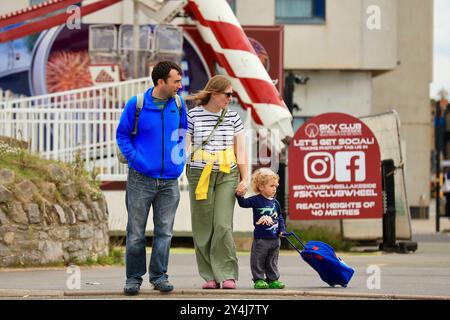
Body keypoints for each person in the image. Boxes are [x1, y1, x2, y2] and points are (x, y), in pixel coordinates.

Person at [116, 61, 187, 295]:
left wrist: (179, 160)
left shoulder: (178, 103)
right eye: (176, 81)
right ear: (161, 82)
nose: (180, 85)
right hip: (140, 178)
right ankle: (133, 279)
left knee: (165, 231)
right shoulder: (136, 104)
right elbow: (122, 135)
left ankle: (159, 276)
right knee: (136, 232)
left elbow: (182, 132)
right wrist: (136, 159)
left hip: (169, 181)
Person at [185, 75, 248, 289]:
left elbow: (240, 150)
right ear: (214, 93)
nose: (230, 98)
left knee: (222, 224)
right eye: (227, 94)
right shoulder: (192, 116)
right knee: (203, 226)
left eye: (232, 95)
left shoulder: (233, 117)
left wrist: (245, 178)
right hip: (199, 173)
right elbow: (183, 147)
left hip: (226, 172)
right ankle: (209, 276)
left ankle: (227, 273)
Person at [235, 168, 286, 289]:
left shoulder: (275, 203)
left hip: (275, 239)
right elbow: (243, 204)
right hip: (261, 239)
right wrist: (239, 195)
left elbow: (280, 218)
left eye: (276, 186)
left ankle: (273, 279)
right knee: (258, 260)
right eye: (271, 186)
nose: (274, 188)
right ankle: (259, 279)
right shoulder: (256, 200)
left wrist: (282, 230)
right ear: (262, 187)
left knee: (272, 260)